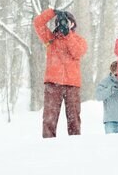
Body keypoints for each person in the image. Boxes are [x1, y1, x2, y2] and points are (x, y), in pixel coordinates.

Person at [33, 8, 88, 138]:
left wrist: (67, 35)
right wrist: (52, 12)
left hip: (72, 84)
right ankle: (48, 144)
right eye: (61, 22)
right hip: (53, 83)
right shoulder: (50, 38)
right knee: (49, 118)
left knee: (74, 119)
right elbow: (37, 23)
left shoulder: (80, 40)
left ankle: (75, 143)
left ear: (73, 24)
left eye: (66, 22)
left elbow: (77, 52)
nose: (63, 24)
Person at [95, 60, 118, 134]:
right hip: (110, 121)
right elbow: (98, 96)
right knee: (110, 141)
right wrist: (110, 90)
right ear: (112, 72)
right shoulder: (105, 82)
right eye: (116, 74)